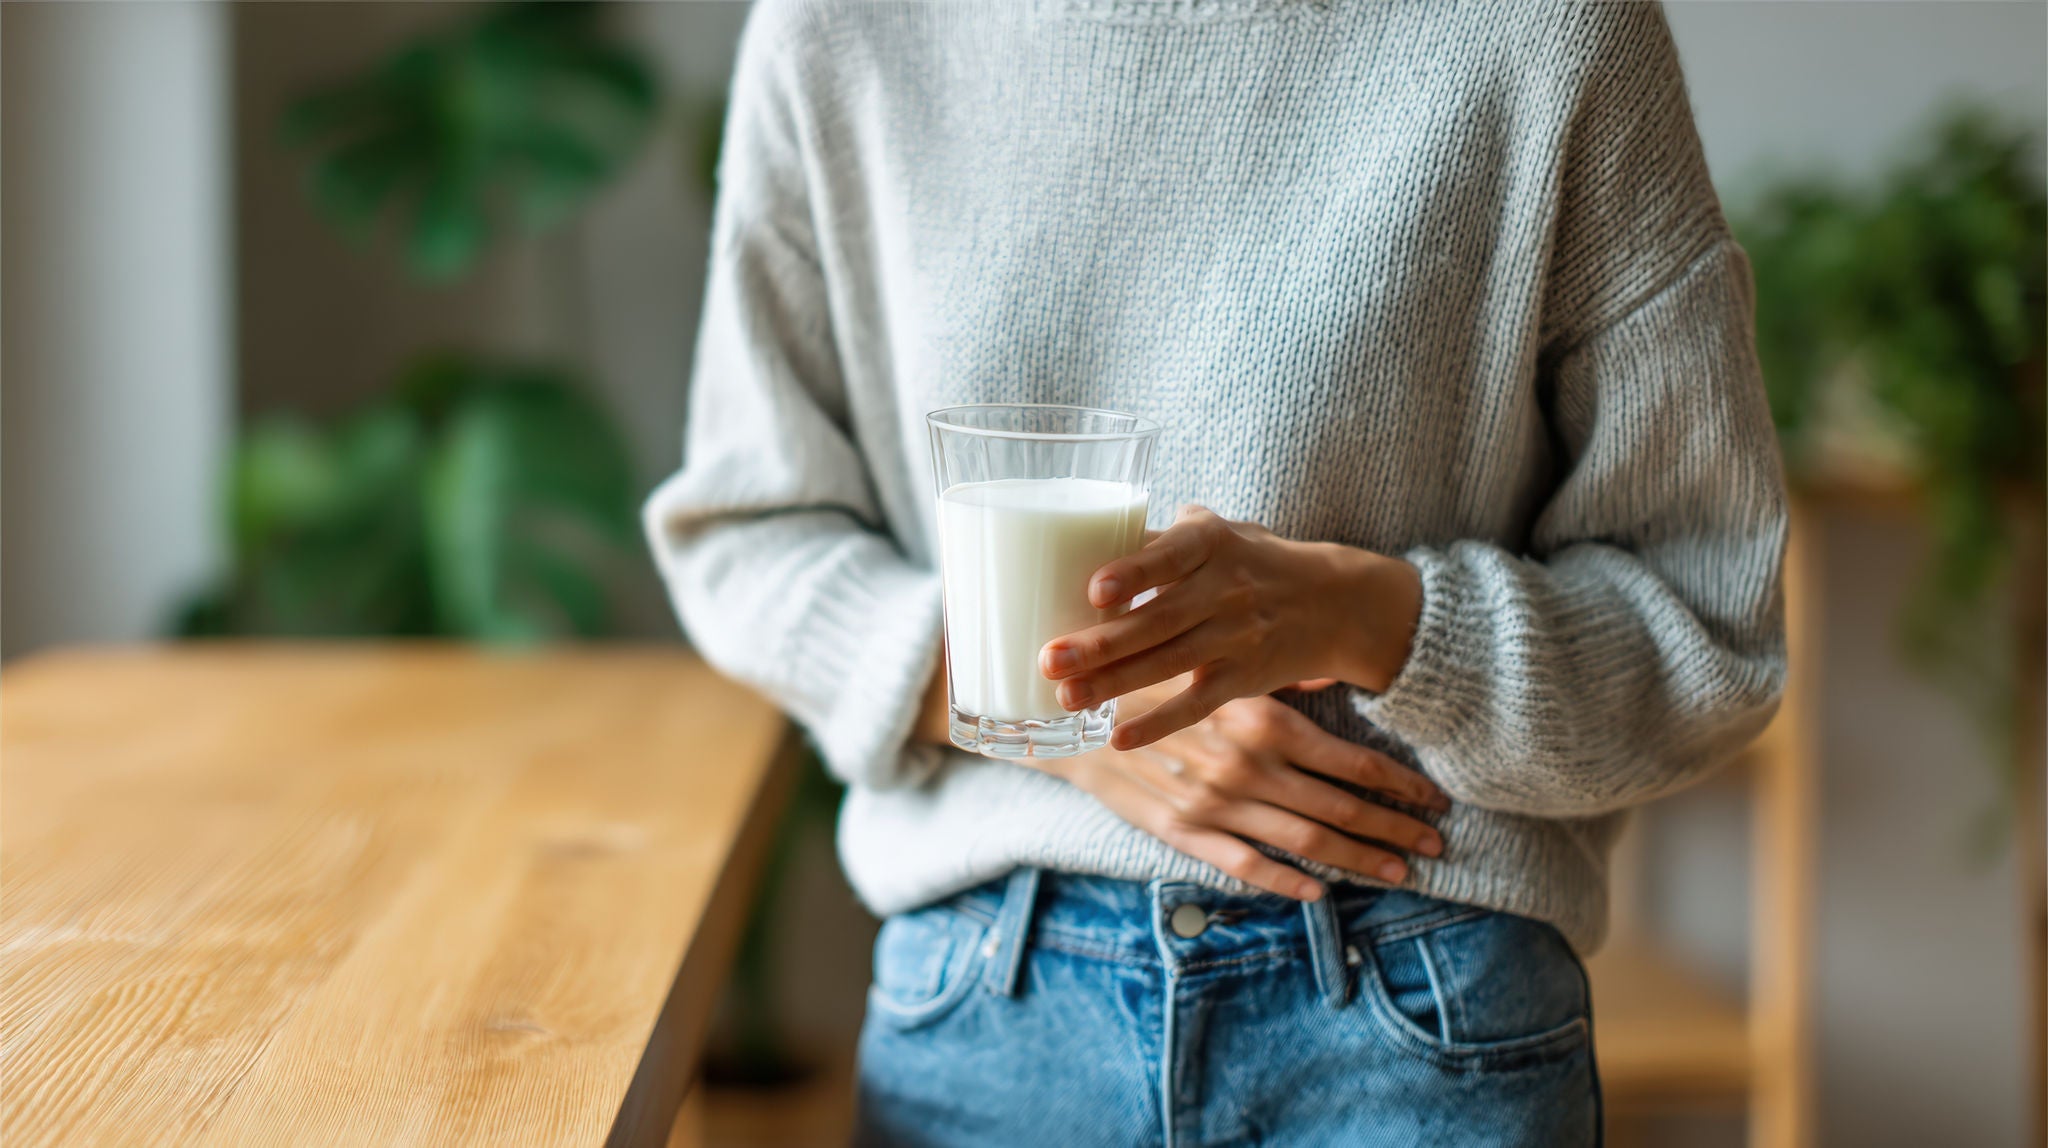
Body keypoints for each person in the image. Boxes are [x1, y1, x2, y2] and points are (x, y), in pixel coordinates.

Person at [646, 0, 1786, 1143]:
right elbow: (746, 531)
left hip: (1419, 1009)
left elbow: (1709, 626)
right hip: (994, 1006)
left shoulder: (1551, 32)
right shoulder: (841, 28)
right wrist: (1071, 718)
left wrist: (1369, 619)